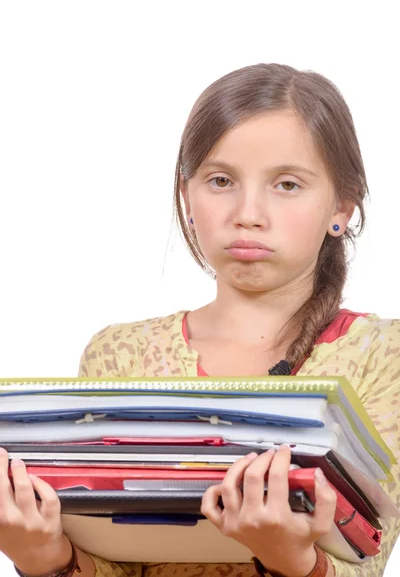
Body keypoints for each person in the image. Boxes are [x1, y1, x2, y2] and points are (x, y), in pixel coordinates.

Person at [1, 62, 399, 577]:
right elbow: (114, 558)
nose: (248, 212)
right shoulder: (120, 354)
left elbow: (368, 557)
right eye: (221, 180)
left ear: (340, 207)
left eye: (287, 184)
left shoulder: (383, 354)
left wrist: (289, 555)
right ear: (188, 197)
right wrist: (39, 552)